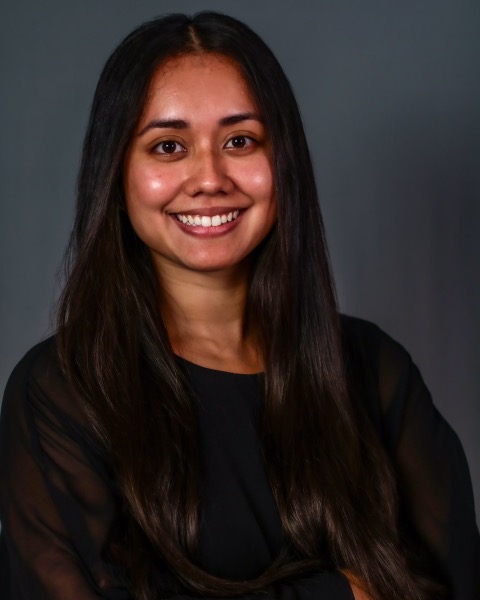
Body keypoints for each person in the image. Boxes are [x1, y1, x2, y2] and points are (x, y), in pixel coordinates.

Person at [0, 11, 478, 600]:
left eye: (240, 141)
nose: (209, 178)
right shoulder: (61, 392)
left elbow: (452, 584)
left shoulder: (376, 372)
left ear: (284, 163)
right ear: (117, 176)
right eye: (168, 146)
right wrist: (339, 593)